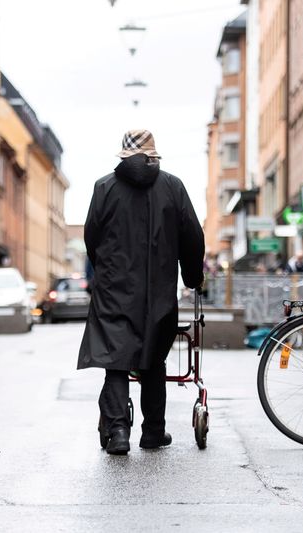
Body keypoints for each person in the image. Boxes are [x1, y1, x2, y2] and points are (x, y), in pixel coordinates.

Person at [79, 130, 205, 455]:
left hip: (113, 290)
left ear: (122, 155)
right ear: (153, 155)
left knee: (116, 362)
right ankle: (153, 432)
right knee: (153, 360)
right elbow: (192, 236)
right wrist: (192, 276)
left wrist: (103, 271)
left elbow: (91, 237)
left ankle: (119, 431)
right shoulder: (173, 187)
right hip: (159, 290)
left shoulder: (104, 187)